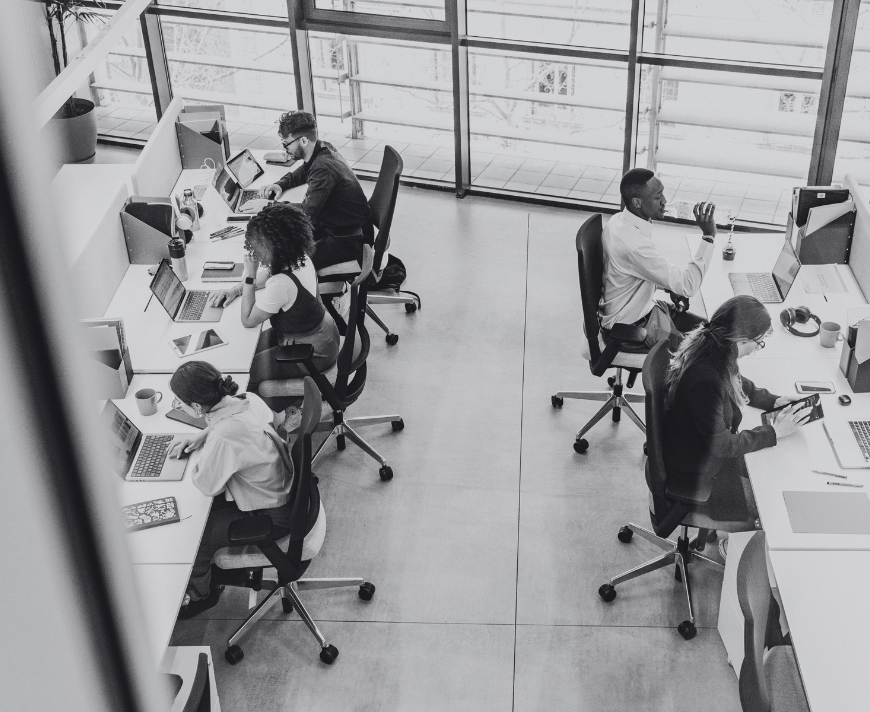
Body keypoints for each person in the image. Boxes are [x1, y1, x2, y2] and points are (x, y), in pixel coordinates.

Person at [167, 362, 324, 618]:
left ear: (196, 407)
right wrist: (202, 436)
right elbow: (230, 423)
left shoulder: (225, 436)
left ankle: (199, 596)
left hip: (273, 516)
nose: (179, 407)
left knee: (195, 537)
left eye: (180, 403)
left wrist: (204, 453)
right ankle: (217, 576)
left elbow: (206, 485)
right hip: (283, 492)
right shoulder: (246, 399)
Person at [662, 296, 811, 539]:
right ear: (742, 338)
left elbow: (734, 380)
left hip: (691, 445)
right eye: (759, 342)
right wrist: (774, 432)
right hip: (696, 472)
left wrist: (771, 400)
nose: (757, 349)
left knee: (771, 471)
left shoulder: (713, 345)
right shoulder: (705, 379)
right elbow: (722, 446)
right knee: (770, 514)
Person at [210, 202, 339, 408]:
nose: (255, 252)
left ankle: (276, 414)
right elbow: (269, 275)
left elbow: (248, 319)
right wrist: (235, 290)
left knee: (246, 374)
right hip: (320, 333)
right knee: (244, 354)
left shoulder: (281, 284)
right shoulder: (298, 257)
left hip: (314, 352)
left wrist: (249, 275)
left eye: (259, 246)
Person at [600, 168, 717, 348]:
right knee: (707, 349)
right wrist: (708, 237)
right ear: (637, 202)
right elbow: (687, 286)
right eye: (657, 197)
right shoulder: (635, 245)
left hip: (642, 308)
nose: (664, 201)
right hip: (634, 325)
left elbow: (635, 269)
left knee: (715, 331)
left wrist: (669, 287)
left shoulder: (618, 221)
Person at [260, 110, 371, 271]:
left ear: (303, 140)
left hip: (348, 238)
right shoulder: (322, 148)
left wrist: (268, 207)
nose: (285, 149)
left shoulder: (323, 168)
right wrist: (281, 184)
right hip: (341, 225)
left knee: (289, 265)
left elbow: (306, 212)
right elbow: (305, 170)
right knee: (281, 243)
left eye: (286, 144)